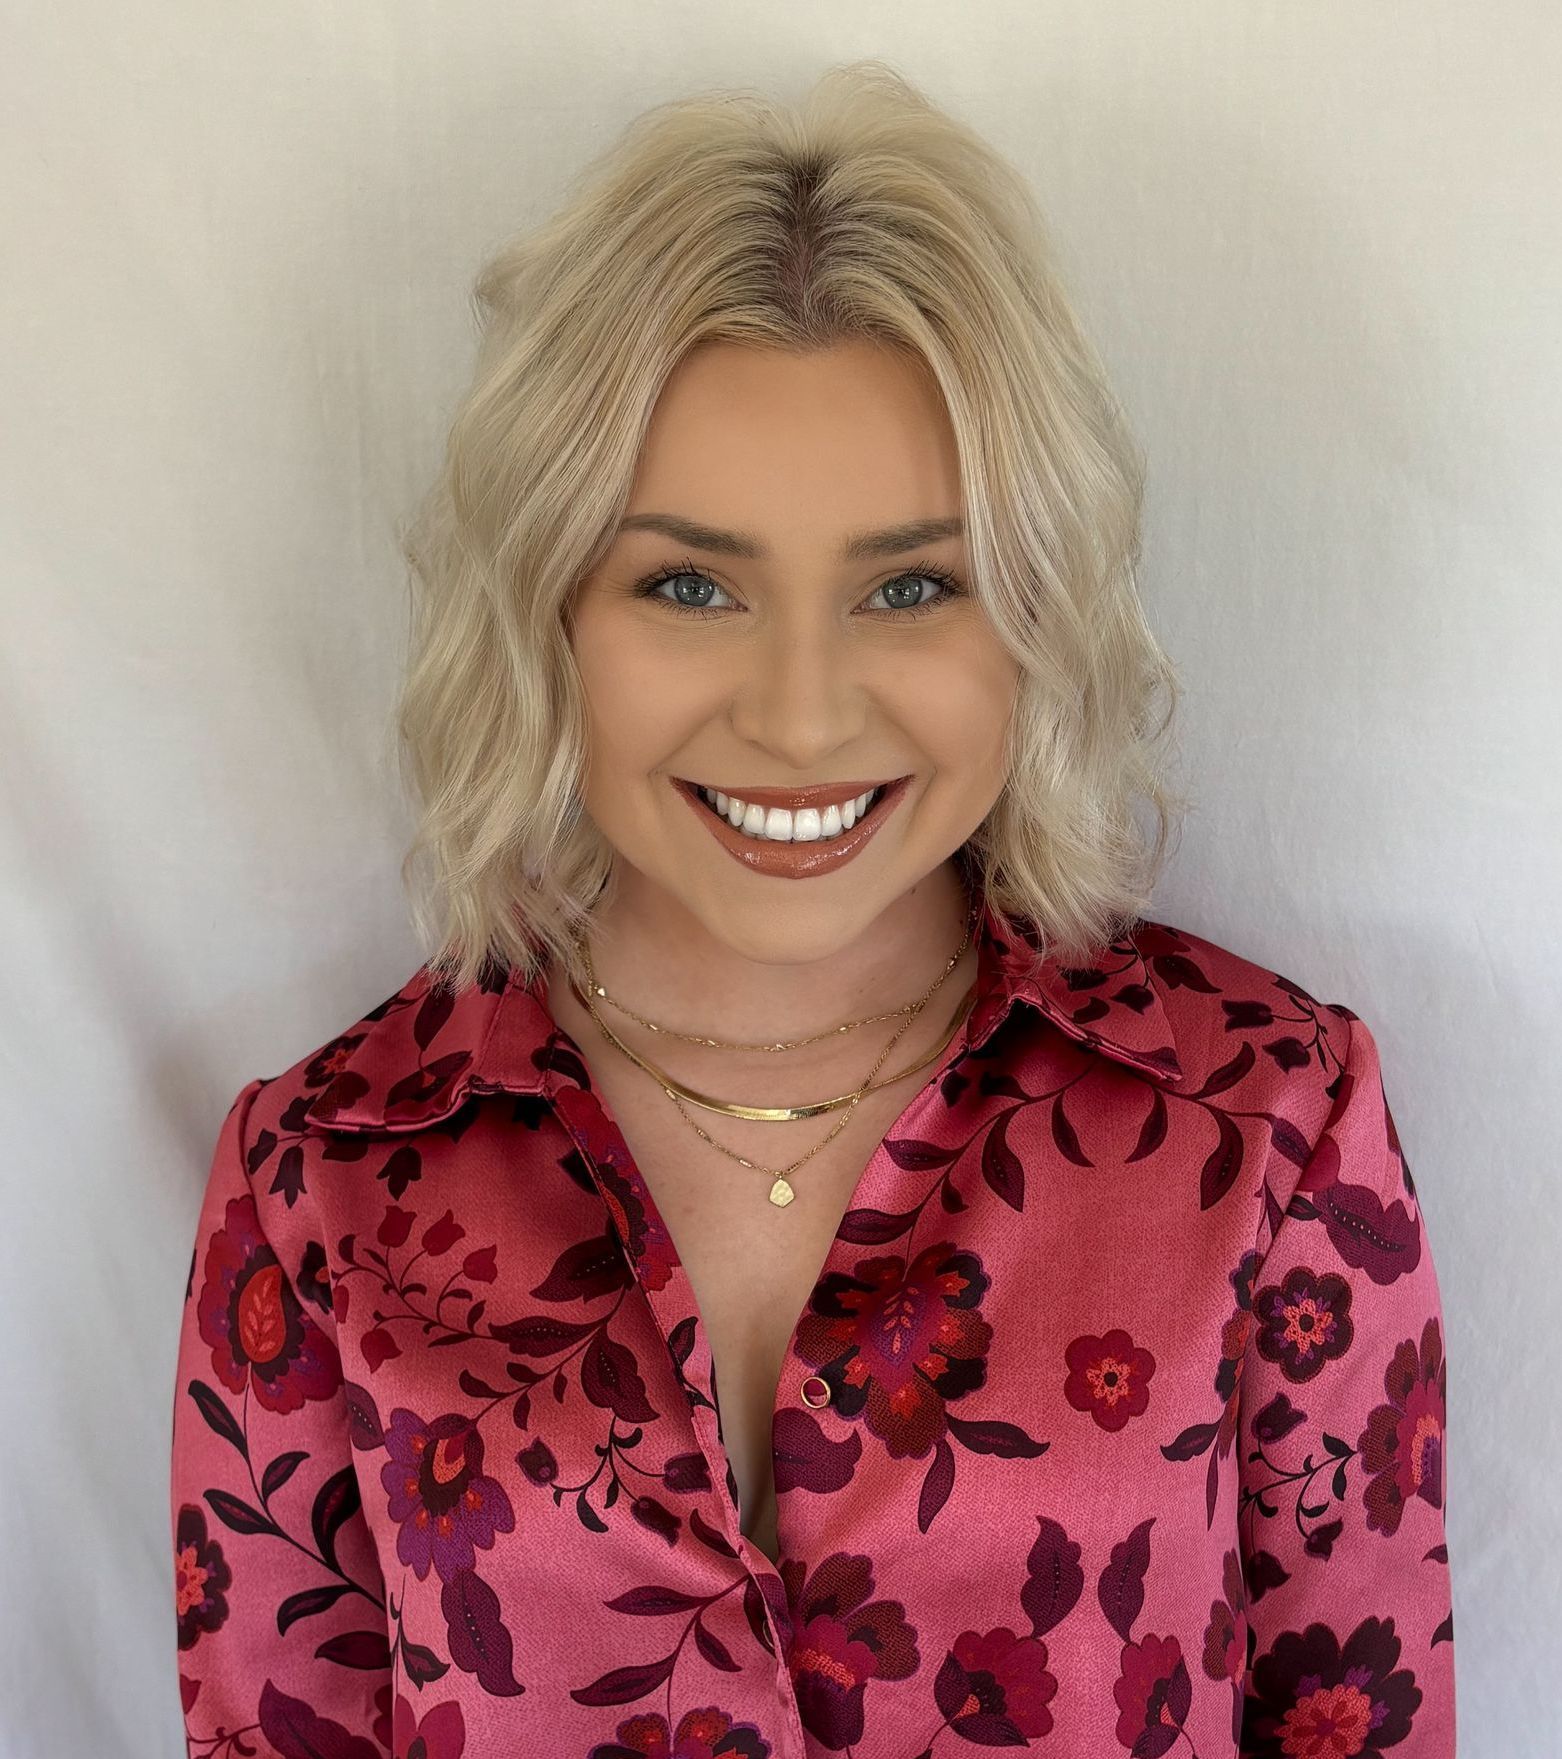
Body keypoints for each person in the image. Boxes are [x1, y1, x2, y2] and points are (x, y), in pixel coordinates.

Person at [169, 61, 1454, 1758]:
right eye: (686, 584)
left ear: (1034, 614)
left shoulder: (1266, 1124)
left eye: (911, 585)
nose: (796, 714)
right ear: (548, 609)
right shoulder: (322, 1179)